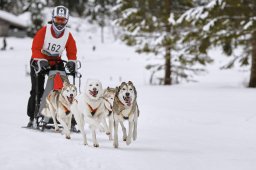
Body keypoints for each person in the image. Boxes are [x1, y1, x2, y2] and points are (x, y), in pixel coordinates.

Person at [27, 6, 77, 127]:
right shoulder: (44, 31)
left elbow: (72, 50)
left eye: (63, 20)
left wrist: (71, 61)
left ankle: (66, 115)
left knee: (63, 88)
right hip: (39, 60)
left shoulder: (67, 35)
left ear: (67, 20)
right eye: (58, 19)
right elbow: (35, 48)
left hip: (55, 62)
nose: (60, 23)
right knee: (37, 90)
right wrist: (40, 59)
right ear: (53, 19)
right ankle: (33, 116)